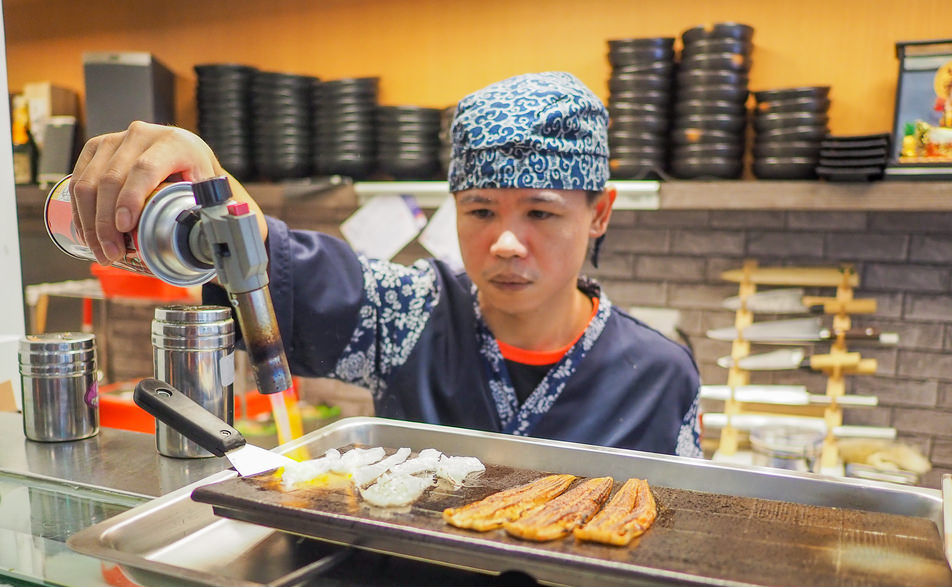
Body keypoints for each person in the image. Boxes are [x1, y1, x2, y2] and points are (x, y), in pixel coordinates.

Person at [69, 71, 701, 457]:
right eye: (480, 212)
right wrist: (204, 177)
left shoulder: (659, 376)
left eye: (540, 214)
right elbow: (266, 259)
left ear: (600, 213)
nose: (507, 243)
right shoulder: (409, 315)